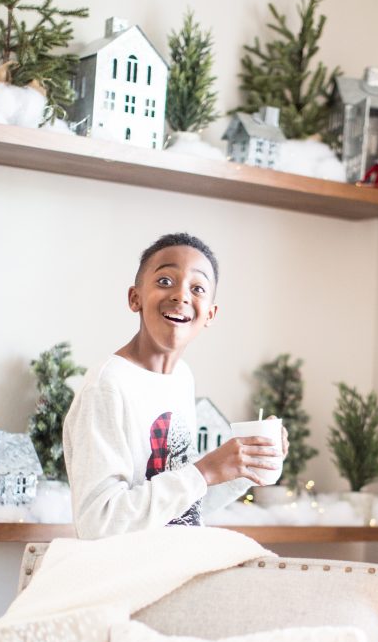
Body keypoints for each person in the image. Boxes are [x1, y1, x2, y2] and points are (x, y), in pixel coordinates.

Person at [64, 231, 286, 539]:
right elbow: (98, 524)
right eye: (165, 281)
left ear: (210, 313)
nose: (181, 296)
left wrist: (242, 467)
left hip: (174, 566)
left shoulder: (181, 378)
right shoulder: (107, 386)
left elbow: (180, 510)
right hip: (126, 579)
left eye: (197, 288)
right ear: (135, 298)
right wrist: (204, 470)